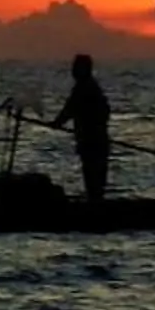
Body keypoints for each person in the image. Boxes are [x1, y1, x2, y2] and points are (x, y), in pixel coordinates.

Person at [45, 52, 112, 202]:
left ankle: (95, 206)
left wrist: (57, 123)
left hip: (92, 140)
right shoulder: (90, 87)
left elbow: (70, 109)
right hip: (95, 139)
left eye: (76, 67)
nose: (73, 71)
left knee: (93, 174)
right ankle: (95, 202)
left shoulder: (84, 88)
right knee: (95, 176)